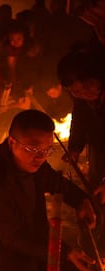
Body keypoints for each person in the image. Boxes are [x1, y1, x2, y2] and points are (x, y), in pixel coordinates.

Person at [0, 109, 97, 271]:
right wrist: (63, 251)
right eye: (33, 149)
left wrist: (82, 201)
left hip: (33, 243)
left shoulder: (33, 163)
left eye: (47, 150)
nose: (41, 157)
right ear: (12, 142)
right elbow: (11, 236)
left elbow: (58, 184)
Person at [57, 49, 105, 205]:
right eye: (72, 92)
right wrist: (75, 147)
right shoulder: (85, 100)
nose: (77, 95)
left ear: (93, 76)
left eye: (78, 89)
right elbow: (79, 120)